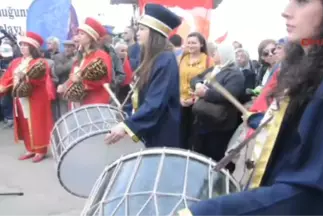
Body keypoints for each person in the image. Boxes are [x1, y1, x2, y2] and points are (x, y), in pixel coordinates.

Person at [178, 0, 323, 215]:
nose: (286, 12)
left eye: (302, 2)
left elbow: (310, 198)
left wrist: (206, 212)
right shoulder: (310, 74)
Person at [105, 3, 181, 148]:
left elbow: (155, 103)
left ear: (154, 33)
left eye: (142, 29)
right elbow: (142, 98)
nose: (137, 33)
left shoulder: (166, 60)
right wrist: (126, 111)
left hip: (161, 133)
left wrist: (126, 126)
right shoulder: (151, 58)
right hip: (151, 131)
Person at [0, 32, 55, 163]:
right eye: (21, 45)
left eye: (26, 45)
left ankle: (40, 150)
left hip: (35, 98)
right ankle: (30, 148)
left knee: (37, 123)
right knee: (24, 123)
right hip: (19, 98)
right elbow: (7, 77)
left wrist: (25, 77)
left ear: (33, 47)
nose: (22, 47)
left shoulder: (40, 62)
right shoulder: (16, 62)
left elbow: (40, 79)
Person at [190, 43, 245, 162]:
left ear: (225, 54)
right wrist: (198, 84)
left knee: (213, 159)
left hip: (220, 125)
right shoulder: (215, 69)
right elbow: (195, 78)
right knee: (199, 156)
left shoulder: (235, 74)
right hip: (203, 121)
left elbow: (228, 95)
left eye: (217, 51)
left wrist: (205, 93)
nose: (213, 53)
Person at [58, 17, 113, 109]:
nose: (78, 36)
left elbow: (102, 80)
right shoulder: (80, 56)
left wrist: (80, 80)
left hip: (94, 102)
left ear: (91, 37)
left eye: (82, 34)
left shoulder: (100, 56)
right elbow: (73, 78)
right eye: (78, 33)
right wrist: (65, 86)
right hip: (79, 103)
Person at [179, 32, 213, 149]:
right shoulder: (181, 59)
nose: (190, 45)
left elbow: (210, 84)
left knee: (195, 137)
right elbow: (176, 80)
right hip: (181, 103)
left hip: (199, 103)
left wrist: (194, 99)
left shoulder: (208, 61)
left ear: (201, 44)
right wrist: (180, 98)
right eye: (188, 42)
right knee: (181, 135)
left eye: (194, 43)